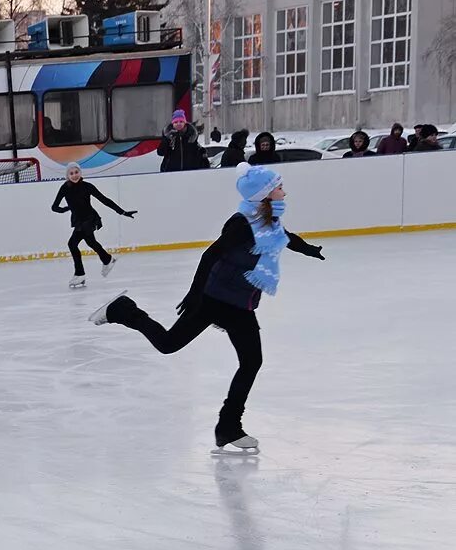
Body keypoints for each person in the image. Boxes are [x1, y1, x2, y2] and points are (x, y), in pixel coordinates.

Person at [86, 163, 326, 454]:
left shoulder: (268, 219)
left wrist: (309, 249)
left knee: (252, 362)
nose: (284, 191)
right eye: (278, 187)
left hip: (240, 305)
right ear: (264, 195)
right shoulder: (242, 223)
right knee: (167, 344)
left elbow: (285, 237)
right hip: (214, 298)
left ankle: (228, 427)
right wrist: (195, 294)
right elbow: (210, 254)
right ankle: (123, 310)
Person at [51, 162, 136, 288]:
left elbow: (104, 200)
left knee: (77, 243)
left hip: (90, 218)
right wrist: (66, 209)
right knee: (82, 243)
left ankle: (81, 273)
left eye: (76, 172)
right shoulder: (64, 188)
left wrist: (122, 212)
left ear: (80, 173)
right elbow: (54, 207)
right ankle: (106, 260)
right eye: (71, 173)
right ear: (67, 175)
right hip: (78, 220)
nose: (74, 175)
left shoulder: (87, 186)